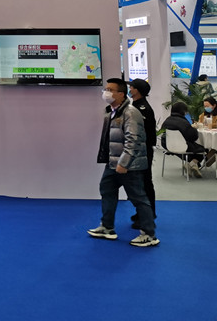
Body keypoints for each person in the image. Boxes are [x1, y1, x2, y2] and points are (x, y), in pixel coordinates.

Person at [88, 77, 159, 247]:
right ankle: (107, 227)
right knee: (106, 190)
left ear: (121, 94)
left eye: (110, 90)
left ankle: (149, 234)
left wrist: (124, 163)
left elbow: (133, 140)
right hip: (113, 162)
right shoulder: (112, 111)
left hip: (129, 165)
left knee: (138, 197)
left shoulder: (130, 112)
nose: (106, 93)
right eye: (106, 89)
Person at [128, 78, 157, 226]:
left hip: (143, 149)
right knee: (139, 182)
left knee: (145, 182)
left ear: (137, 90)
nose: (130, 89)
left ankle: (148, 215)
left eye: (132, 87)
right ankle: (143, 212)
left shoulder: (142, 108)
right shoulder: (136, 105)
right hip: (140, 148)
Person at [162, 101, 217, 176]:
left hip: (167, 145)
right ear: (183, 111)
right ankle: (192, 164)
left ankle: (193, 164)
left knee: (195, 148)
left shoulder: (167, 120)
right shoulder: (183, 122)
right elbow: (193, 137)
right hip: (181, 146)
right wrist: (193, 128)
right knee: (203, 148)